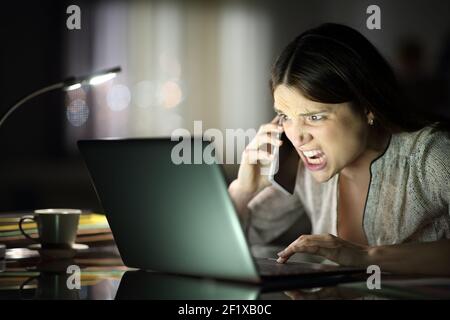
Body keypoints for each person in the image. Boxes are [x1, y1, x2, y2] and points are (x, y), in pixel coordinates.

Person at [228, 23, 450, 276]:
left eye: (315, 117)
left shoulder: (432, 155)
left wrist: (364, 256)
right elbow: (232, 242)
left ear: (367, 107)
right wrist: (242, 191)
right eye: (284, 115)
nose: (297, 136)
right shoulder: (303, 169)